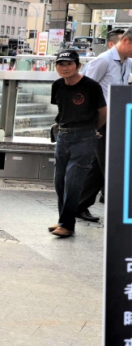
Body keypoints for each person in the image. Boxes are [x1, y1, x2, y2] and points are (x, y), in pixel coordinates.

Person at [75, 27, 132, 222]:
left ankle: (79, 205)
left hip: (116, 121)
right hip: (100, 122)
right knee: (110, 165)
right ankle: (119, 212)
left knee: (99, 167)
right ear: (126, 42)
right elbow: (84, 89)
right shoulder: (103, 60)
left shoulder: (127, 63)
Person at [49, 50, 107, 237]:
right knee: (59, 182)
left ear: (78, 65)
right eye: (60, 64)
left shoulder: (91, 86)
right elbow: (61, 110)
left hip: (83, 137)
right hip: (63, 136)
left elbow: (103, 112)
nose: (64, 68)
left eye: (69, 64)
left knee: (73, 183)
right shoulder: (57, 85)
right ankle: (62, 220)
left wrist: (91, 131)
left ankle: (67, 225)